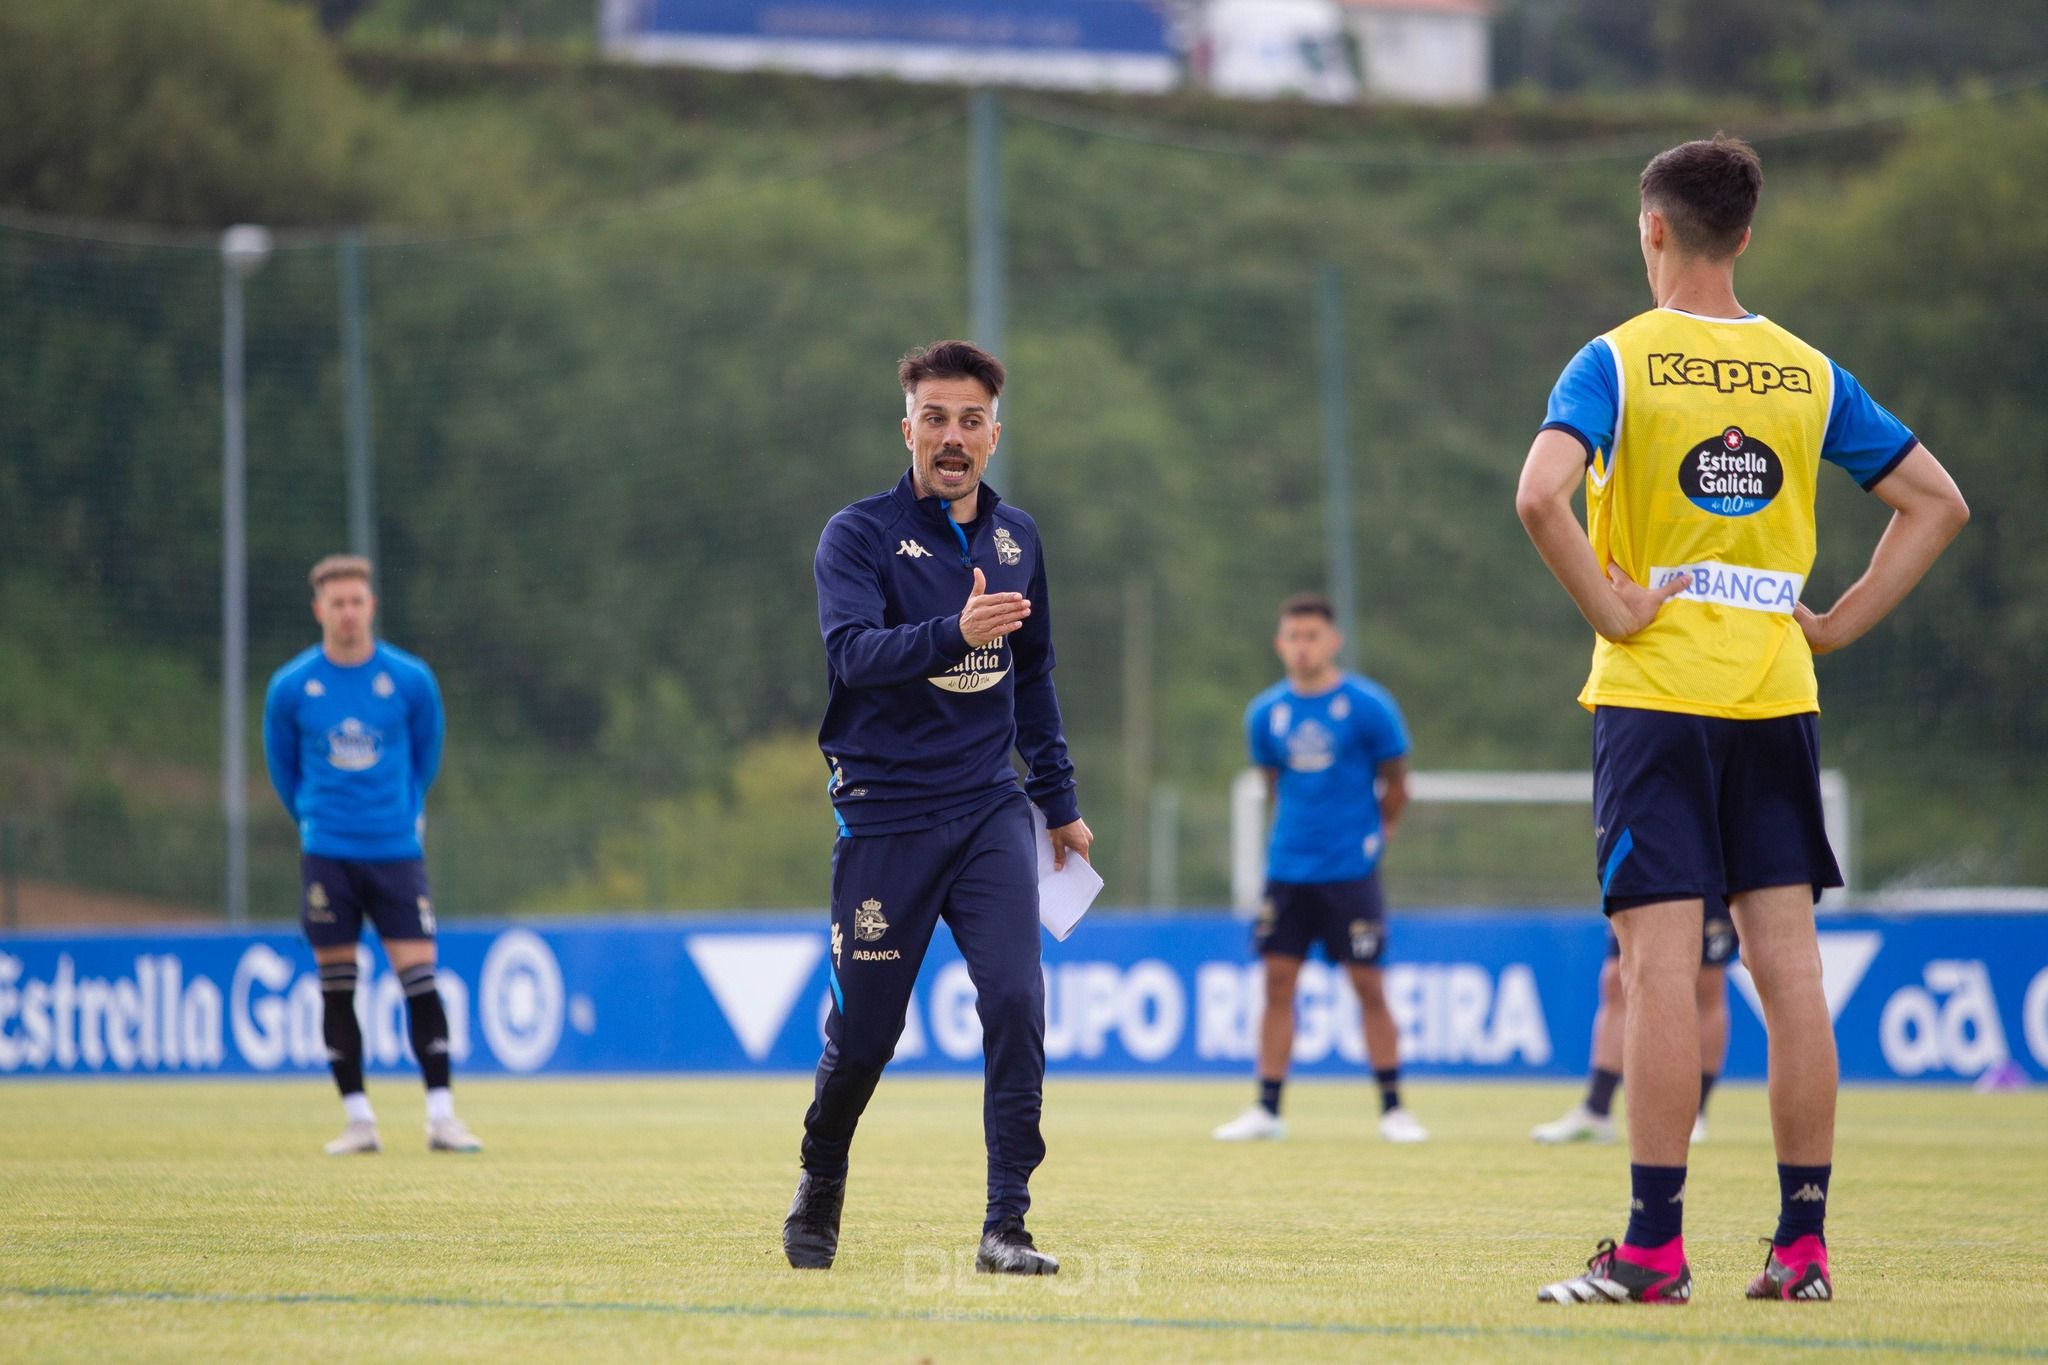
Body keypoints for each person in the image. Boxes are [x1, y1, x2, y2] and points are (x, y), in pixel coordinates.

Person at [1516, 136, 1967, 1304]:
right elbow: (1936, 503)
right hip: (1774, 696)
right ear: (1746, 238)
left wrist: (1612, 608)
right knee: (1789, 973)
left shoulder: (1615, 359)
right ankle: (1801, 1249)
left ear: (1651, 228)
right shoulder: (1803, 372)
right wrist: (1837, 622)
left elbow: (1537, 495)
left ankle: (1653, 1252)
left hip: (1656, 697)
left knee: (1657, 969)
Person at [783, 340, 1092, 1275]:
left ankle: (1007, 1224)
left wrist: (1060, 803)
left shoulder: (1018, 539)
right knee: (870, 1032)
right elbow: (853, 656)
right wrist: (952, 630)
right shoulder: (858, 534)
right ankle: (822, 1173)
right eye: (934, 418)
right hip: (883, 812)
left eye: (969, 420)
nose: (951, 438)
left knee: (1014, 996)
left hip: (989, 806)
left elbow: (1032, 678)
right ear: (906, 426)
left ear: (995, 433)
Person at [262, 555, 481, 1156]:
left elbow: (426, 756)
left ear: (371, 605)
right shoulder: (291, 686)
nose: (349, 612)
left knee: (421, 981)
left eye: (357, 600)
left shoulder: (409, 680)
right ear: (319, 610)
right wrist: (314, 816)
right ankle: (358, 1119)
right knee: (337, 986)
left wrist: (402, 808)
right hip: (328, 854)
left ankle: (442, 1116)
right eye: (337, 603)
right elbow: (284, 769)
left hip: (395, 851)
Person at [1212, 593, 1426, 1146]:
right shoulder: (1265, 714)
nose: (1302, 647)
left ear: (1333, 641)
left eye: (1313, 636)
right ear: (1280, 644)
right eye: (1293, 637)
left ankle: (1393, 1107)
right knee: (1277, 983)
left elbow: (1397, 781)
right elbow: (1272, 785)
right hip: (1287, 869)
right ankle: (1266, 1107)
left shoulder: (1368, 706)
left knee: (1368, 985)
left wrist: (1382, 832)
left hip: (1349, 871)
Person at [1532, 910, 1735, 1145]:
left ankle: (1693, 1113)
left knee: (1705, 984)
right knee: (1617, 979)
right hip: (1642, 877)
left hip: (1705, 880)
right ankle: (1597, 1110)